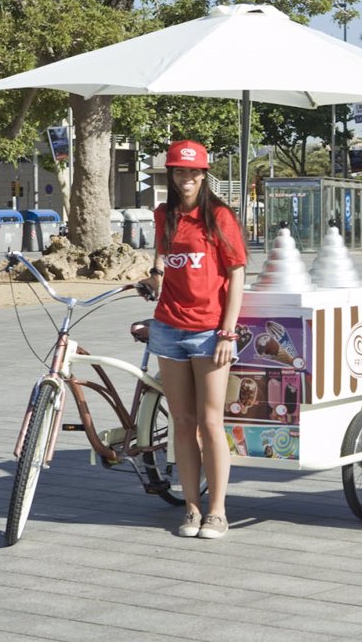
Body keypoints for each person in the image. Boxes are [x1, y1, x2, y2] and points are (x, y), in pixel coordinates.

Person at [142, 140, 247, 540]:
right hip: (168, 328)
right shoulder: (164, 215)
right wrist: (154, 272)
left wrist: (227, 330)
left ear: (204, 175)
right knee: (183, 423)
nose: (186, 178)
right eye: (180, 172)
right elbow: (163, 255)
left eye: (193, 172)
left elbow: (236, 273)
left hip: (209, 332)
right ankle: (190, 508)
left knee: (209, 422)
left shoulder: (219, 217)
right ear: (171, 174)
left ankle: (217, 512)